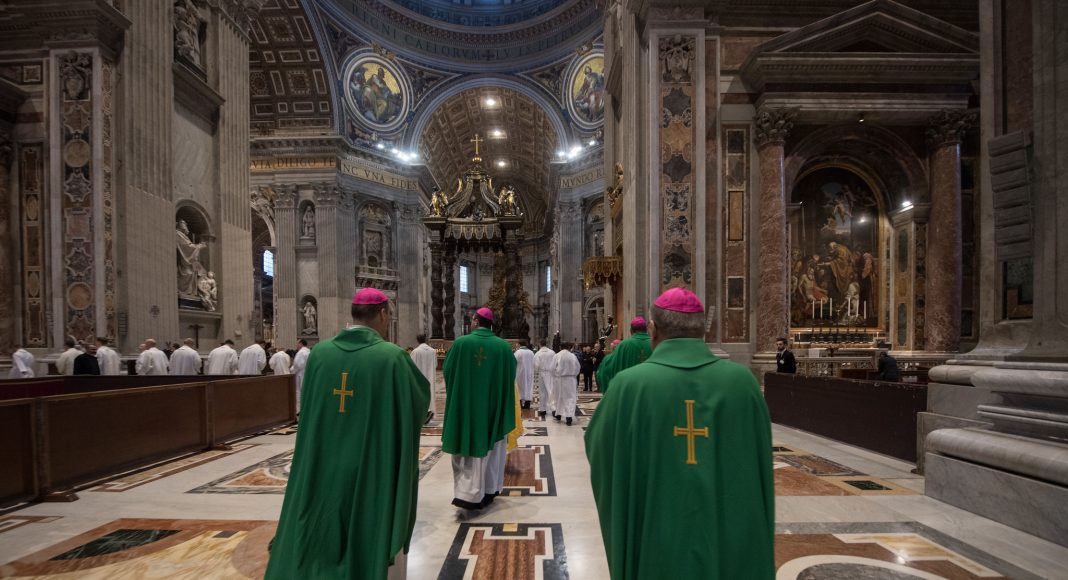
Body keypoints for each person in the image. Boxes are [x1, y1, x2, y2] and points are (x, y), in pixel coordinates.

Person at [585, 287, 774, 579]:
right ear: (703, 330)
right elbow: (760, 468)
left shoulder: (627, 387)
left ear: (654, 330)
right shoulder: (743, 384)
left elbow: (599, 450)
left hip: (654, 538)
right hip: (726, 542)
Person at [265, 288, 429, 580]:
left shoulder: (320, 354)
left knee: (322, 518)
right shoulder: (391, 358)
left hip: (323, 459)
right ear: (382, 314)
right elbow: (416, 404)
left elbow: (310, 409)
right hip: (371, 463)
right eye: (388, 315)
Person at [441, 307, 517, 511]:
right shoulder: (503, 347)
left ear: (475, 321)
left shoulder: (460, 344)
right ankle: (490, 490)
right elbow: (511, 376)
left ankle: (466, 494)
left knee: (465, 449)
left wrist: (462, 392)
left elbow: (447, 372)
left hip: (465, 406)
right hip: (493, 406)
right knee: (493, 448)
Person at [595, 316, 652, 394]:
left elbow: (607, 368)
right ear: (646, 330)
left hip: (629, 392)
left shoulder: (624, 345)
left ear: (631, 331)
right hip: (651, 391)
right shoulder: (655, 344)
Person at [410, 334, 437, 423]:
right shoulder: (433, 351)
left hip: (419, 378)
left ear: (417, 340)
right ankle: (430, 411)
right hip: (430, 376)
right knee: (430, 393)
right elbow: (436, 365)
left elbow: (412, 366)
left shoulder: (415, 352)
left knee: (420, 394)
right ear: (425, 340)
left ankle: (423, 414)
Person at [551, 342, 580, 426]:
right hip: (571, 379)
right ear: (568, 347)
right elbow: (578, 367)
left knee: (558, 397)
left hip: (559, 379)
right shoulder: (573, 356)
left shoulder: (557, 355)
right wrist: (573, 375)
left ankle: (558, 414)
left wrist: (555, 376)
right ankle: (569, 417)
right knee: (570, 398)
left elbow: (552, 368)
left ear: (560, 347)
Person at [533, 339, 556, 419]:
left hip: (542, 373)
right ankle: (554, 408)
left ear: (540, 344)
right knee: (551, 390)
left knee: (542, 391)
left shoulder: (538, 353)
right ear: (546, 344)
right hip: (550, 373)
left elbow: (536, 366)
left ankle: (542, 409)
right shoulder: (552, 352)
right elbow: (555, 363)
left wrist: (537, 371)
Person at [291, 339, 311, 413]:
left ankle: (299, 409)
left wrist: (292, 371)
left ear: (300, 343)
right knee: (305, 390)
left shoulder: (301, 352)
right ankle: (306, 407)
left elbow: (297, 365)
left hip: (300, 374)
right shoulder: (309, 351)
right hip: (307, 373)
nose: (296, 345)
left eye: (297, 343)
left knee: (298, 391)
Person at [514, 342, 535, 409]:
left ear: (519, 344)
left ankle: (520, 403)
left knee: (520, 388)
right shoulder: (531, 352)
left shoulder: (518, 352)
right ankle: (527, 404)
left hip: (520, 372)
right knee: (528, 387)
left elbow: (514, 361)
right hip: (529, 372)